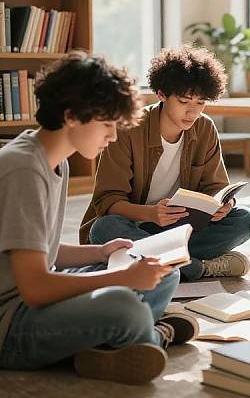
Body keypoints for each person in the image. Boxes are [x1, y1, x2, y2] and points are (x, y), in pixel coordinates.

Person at [0, 53, 198, 385]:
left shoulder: (54, 161)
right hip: (11, 325)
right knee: (124, 306)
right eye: (107, 125)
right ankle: (145, 336)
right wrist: (121, 279)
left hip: (32, 301)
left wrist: (101, 253)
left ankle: (117, 343)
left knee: (162, 272)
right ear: (72, 116)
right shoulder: (23, 170)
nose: (113, 137)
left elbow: (43, 251)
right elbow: (35, 288)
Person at [81, 44, 250, 280]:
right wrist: (151, 214)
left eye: (201, 103)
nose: (193, 112)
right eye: (184, 101)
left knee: (244, 218)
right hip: (135, 224)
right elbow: (108, 200)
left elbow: (215, 187)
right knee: (103, 229)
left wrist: (225, 204)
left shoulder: (205, 128)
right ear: (161, 94)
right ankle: (196, 268)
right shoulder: (128, 128)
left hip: (178, 227)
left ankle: (154, 262)